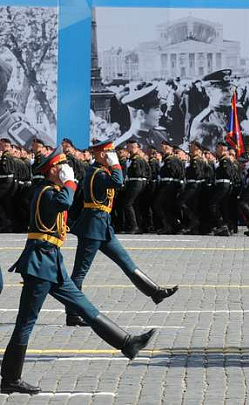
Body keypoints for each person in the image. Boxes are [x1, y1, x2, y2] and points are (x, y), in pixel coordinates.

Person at [2, 147, 154, 395]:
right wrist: (70, 182)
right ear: (52, 170)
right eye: (61, 166)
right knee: (26, 323)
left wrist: (69, 183)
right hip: (39, 265)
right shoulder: (46, 192)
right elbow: (65, 202)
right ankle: (10, 378)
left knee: (84, 306)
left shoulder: (55, 190)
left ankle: (128, 343)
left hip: (52, 262)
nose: (65, 169)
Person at [65, 140, 178, 327]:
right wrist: (116, 164)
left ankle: (155, 292)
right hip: (92, 228)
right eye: (108, 153)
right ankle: (73, 314)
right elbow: (118, 181)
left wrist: (114, 165)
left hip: (103, 226)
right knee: (79, 274)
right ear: (101, 154)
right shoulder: (97, 173)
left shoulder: (101, 171)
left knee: (126, 261)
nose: (112, 156)